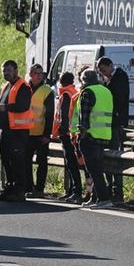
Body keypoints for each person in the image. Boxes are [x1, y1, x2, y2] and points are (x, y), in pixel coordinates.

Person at [0, 59, 32, 202]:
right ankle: (9, 187)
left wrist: (6, 108)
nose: (6, 73)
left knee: (18, 162)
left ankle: (19, 190)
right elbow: (4, 104)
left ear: (16, 71)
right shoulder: (6, 86)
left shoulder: (23, 86)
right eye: (4, 71)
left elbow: (23, 105)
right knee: (6, 160)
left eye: (9, 70)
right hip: (6, 130)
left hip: (18, 131)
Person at [75, 68, 114, 209]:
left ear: (84, 80)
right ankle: (96, 197)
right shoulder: (105, 91)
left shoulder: (87, 92)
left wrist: (82, 134)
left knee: (93, 170)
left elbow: (84, 117)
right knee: (97, 168)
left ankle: (103, 198)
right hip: (104, 135)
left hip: (90, 136)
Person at [98, 56, 130, 202]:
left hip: (115, 123)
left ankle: (117, 191)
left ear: (110, 65)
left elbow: (118, 99)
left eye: (104, 70)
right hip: (108, 124)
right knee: (108, 157)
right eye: (101, 72)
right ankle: (111, 188)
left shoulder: (120, 77)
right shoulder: (110, 79)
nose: (103, 74)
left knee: (115, 156)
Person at [53, 72, 83, 202]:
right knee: (72, 164)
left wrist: (61, 131)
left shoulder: (66, 94)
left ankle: (76, 191)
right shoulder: (73, 91)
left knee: (71, 164)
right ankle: (72, 190)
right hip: (72, 133)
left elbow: (65, 116)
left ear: (61, 81)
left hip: (67, 134)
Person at [26, 63, 54, 196]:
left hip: (41, 133)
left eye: (40, 73)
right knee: (26, 161)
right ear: (30, 74)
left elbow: (50, 115)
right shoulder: (25, 88)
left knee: (41, 162)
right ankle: (28, 187)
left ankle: (39, 189)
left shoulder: (47, 91)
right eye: (35, 73)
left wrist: (47, 135)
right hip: (26, 132)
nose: (38, 76)